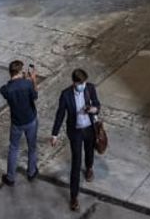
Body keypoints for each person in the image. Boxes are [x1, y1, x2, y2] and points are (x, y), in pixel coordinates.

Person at [51, 69, 102, 212]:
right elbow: (60, 114)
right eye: (81, 83)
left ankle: (90, 167)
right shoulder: (66, 95)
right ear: (74, 83)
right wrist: (54, 134)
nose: (83, 85)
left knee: (89, 151)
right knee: (76, 161)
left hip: (89, 129)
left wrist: (94, 109)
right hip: (75, 132)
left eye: (85, 82)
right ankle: (74, 196)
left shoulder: (90, 88)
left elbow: (98, 104)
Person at [1, 60, 39, 186]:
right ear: (20, 71)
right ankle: (31, 172)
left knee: (13, 148)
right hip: (30, 120)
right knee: (32, 147)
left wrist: (18, 80)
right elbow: (35, 96)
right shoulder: (27, 84)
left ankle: (10, 177)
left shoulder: (7, 89)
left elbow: (4, 89)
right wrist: (32, 80)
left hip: (17, 122)